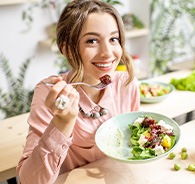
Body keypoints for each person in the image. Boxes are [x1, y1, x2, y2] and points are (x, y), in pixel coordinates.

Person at [16, 0, 140, 183]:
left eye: (114, 39)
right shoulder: (50, 94)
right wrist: (62, 122)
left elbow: (132, 145)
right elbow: (29, 181)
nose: (107, 52)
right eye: (92, 41)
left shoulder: (126, 84)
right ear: (67, 49)